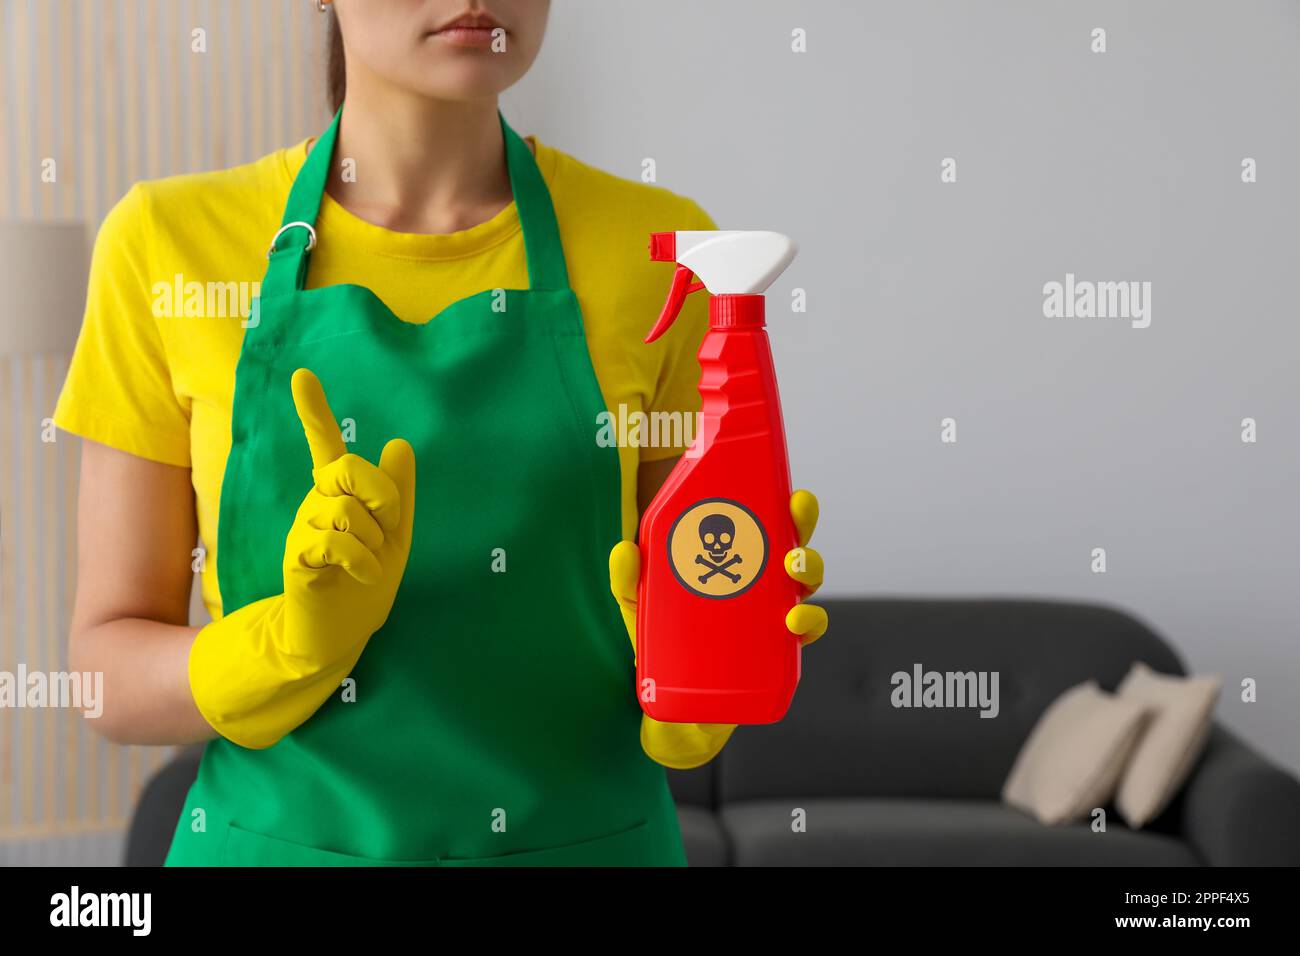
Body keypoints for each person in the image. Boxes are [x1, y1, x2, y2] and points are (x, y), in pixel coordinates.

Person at [55, 0, 827, 866]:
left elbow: (691, 616)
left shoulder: (659, 251)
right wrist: (288, 649)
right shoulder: (168, 245)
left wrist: (708, 673)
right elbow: (105, 674)